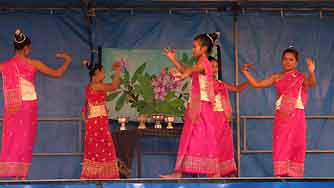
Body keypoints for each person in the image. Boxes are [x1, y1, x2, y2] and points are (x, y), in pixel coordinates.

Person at [0, 29, 72, 179]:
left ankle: (15, 178)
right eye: (30, 48)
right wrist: (67, 61)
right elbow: (57, 73)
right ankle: (21, 178)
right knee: (25, 141)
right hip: (28, 109)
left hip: (12, 108)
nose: (30, 51)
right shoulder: (34, 63)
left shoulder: (4, 66)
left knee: (13, 141)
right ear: (26, 48)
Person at [241, 47, 316, 177]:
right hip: (282, 116)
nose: (288, 62)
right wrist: (245, 72)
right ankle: (280, 176)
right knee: (281, 143)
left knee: (297, 144)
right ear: (282, 61)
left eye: (291, 60)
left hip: (297, 115)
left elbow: (312, 83)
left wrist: (311, 72)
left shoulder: (300, 77)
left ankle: (295, 176)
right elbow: (257, 84)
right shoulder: (277, 77)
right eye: (285, 59)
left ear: (296, 62)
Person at [161, 33, 221, 178]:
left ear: (204, 48)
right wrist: (173, 59)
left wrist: (182, 75)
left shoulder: (204, 62)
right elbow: (187, 70)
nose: (192, 49)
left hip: (202, 107)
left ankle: (213, 172)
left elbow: (191, 70)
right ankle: (181, 172)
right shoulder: (201, 62)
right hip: (196, 105)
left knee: (201, 138)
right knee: (190, 138)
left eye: (195, 47)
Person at [80, 61, 121, 179]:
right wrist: (118, 71)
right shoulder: (94, 85)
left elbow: (85, 109)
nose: (104, 75)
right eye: (103, 72)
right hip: (96, 124)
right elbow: (113, 86)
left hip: (98, 122)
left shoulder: (92, 85)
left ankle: (101, 177)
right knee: (102, 150)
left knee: (102, 150)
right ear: (97, 73)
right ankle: (97, 178)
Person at [209, 55, 248, 177]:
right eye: (211, 66)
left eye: (216, 66)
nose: (215, 69)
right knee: (213, 148)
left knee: (226, 148)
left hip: (223, 119)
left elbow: (237, 89)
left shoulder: (220, 83)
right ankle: (213, 176)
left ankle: (227, 174)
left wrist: (250, 80)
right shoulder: (202, 83)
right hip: (211, 119)